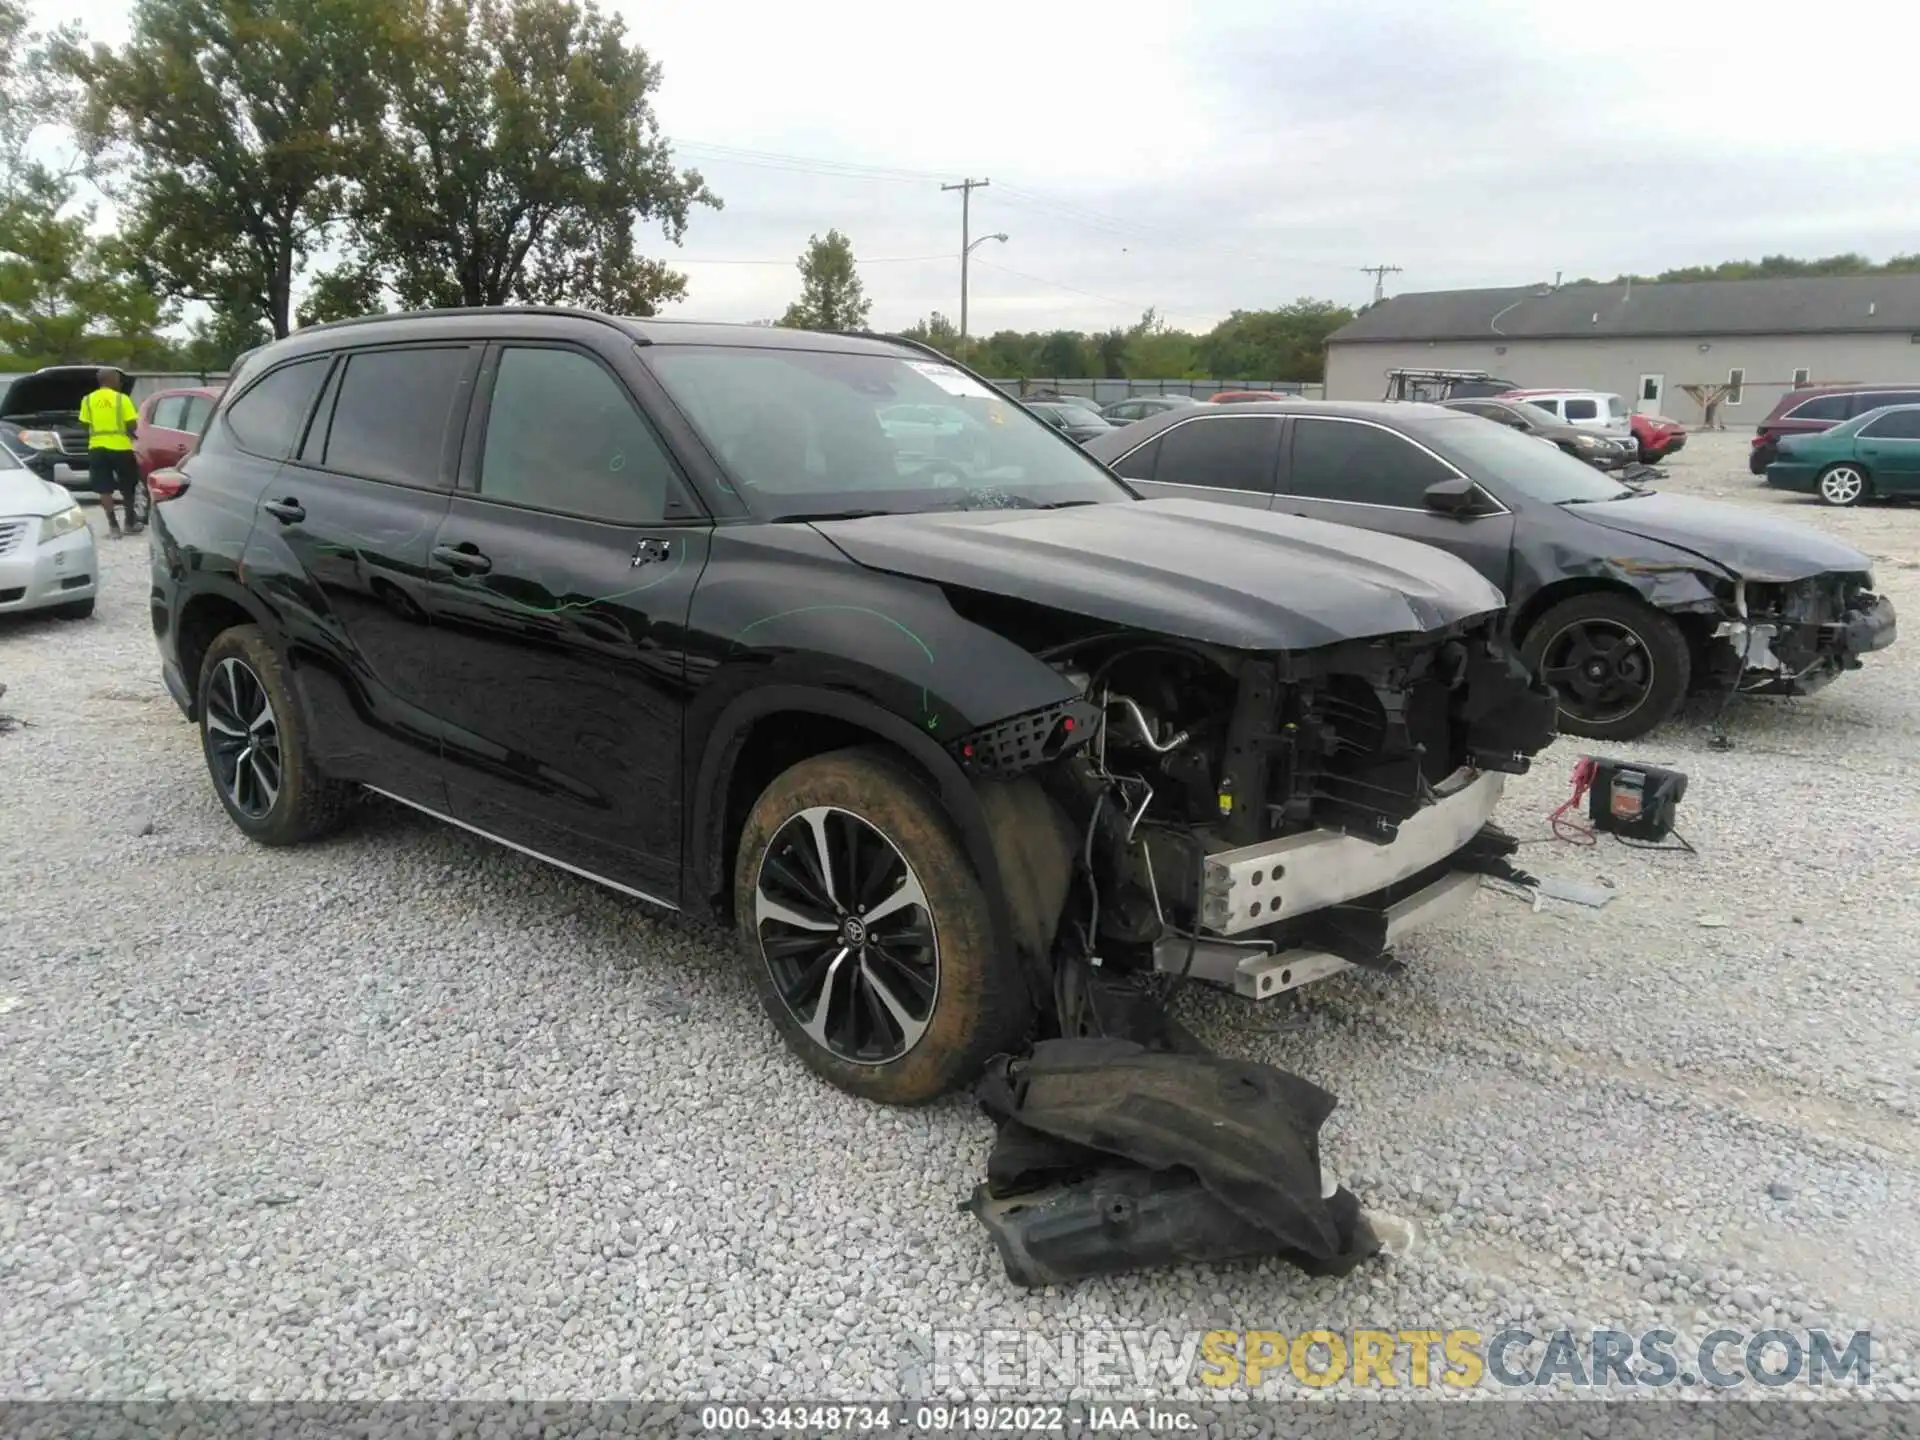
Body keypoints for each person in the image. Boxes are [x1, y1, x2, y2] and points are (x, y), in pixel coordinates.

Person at [79, 367, 142, 537]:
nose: (120, 383)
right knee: (128, 486)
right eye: (117, 379)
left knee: (104, 489)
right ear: (111, 380)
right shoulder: (122, 399)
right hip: (121, 447)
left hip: (97, 448)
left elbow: (84, 423)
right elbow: (132, 424)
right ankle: (129, 523)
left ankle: (113, 527)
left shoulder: (87, 400)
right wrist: (127, 431)